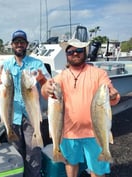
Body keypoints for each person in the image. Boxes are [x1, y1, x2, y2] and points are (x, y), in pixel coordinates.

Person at [41, 38, 121, 177]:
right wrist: (45, 88)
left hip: (95, 132)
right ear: (66, 55)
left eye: (78, 50)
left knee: (97, 170)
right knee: (71, 164)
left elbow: (111, 92)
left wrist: (113, 95)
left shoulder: (98, 74)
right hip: (68, 132)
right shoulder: (61, 77)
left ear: (84, 52)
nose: (75, 54)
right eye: (71, 51)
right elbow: (46, 93)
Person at [0, 30, 51, 177]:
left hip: (31, 114)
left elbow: (48, 85)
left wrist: (42, 79)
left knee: (33, 151)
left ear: (26, 45)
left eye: (22, 42)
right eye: (16, 42)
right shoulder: (6, 65)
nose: (19, 45)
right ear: (12, 45)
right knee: (16, 151)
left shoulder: (36, 64)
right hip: (12, 115)